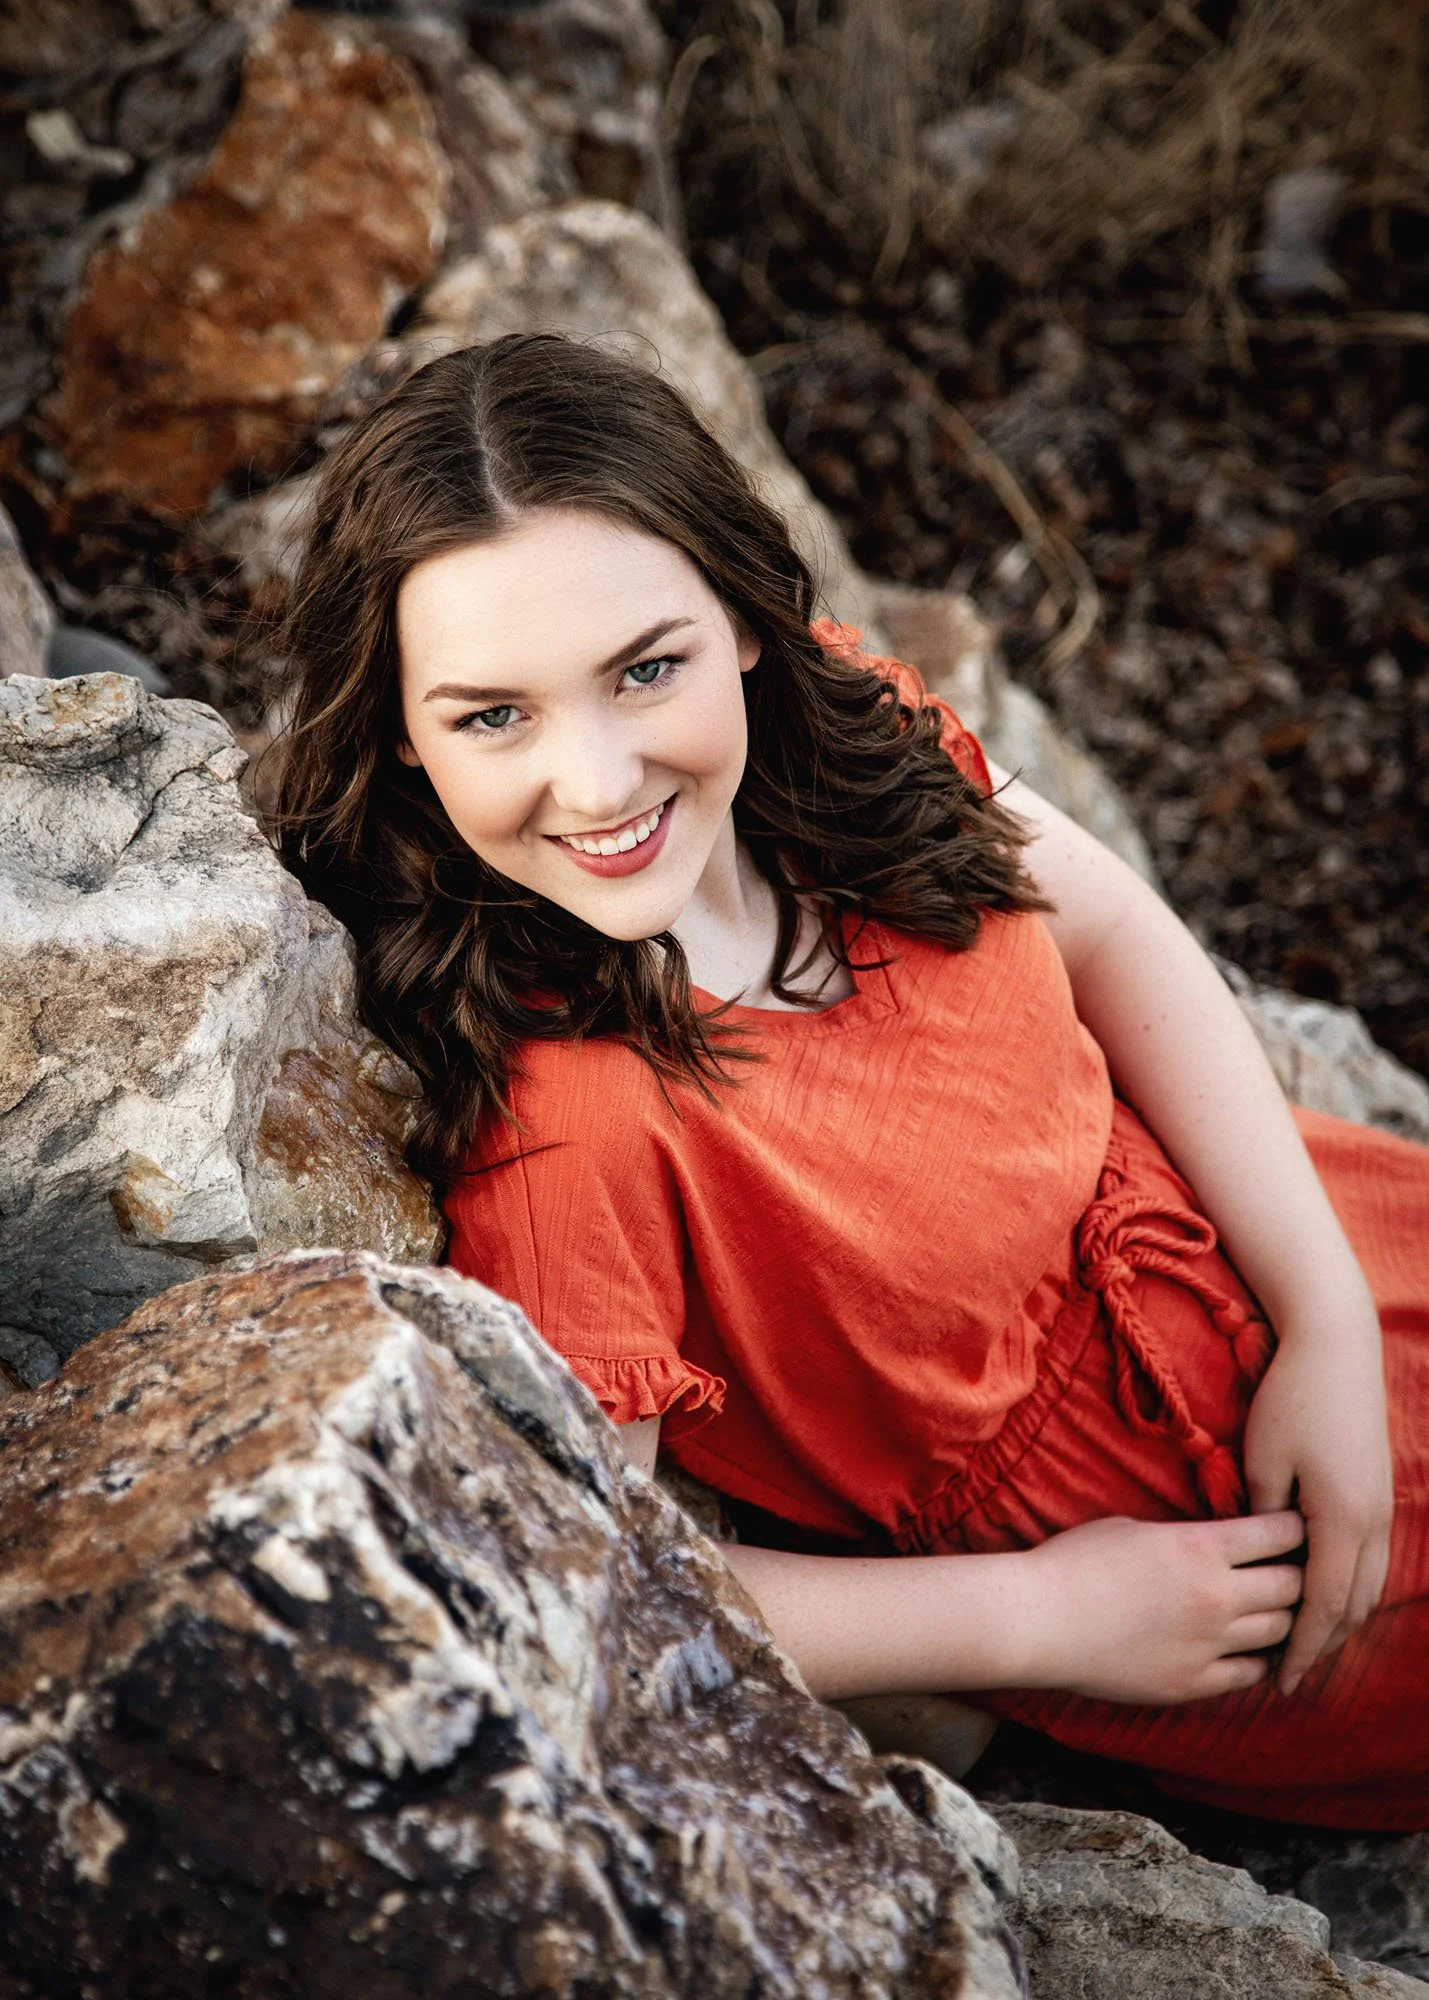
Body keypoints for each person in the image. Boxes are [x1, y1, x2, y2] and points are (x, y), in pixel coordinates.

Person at [269, 332, 1429, 1831]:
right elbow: (601, 1574)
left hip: (1310, 1223)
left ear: (747, 622)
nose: (601, 783)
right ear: (404, 736)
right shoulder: (576, 1128)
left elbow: (1110, 928)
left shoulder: (836, 744)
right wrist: (1039, 1618)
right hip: (1181, 1534)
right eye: (494, 715)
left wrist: (1324, 1317)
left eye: (647, 670)